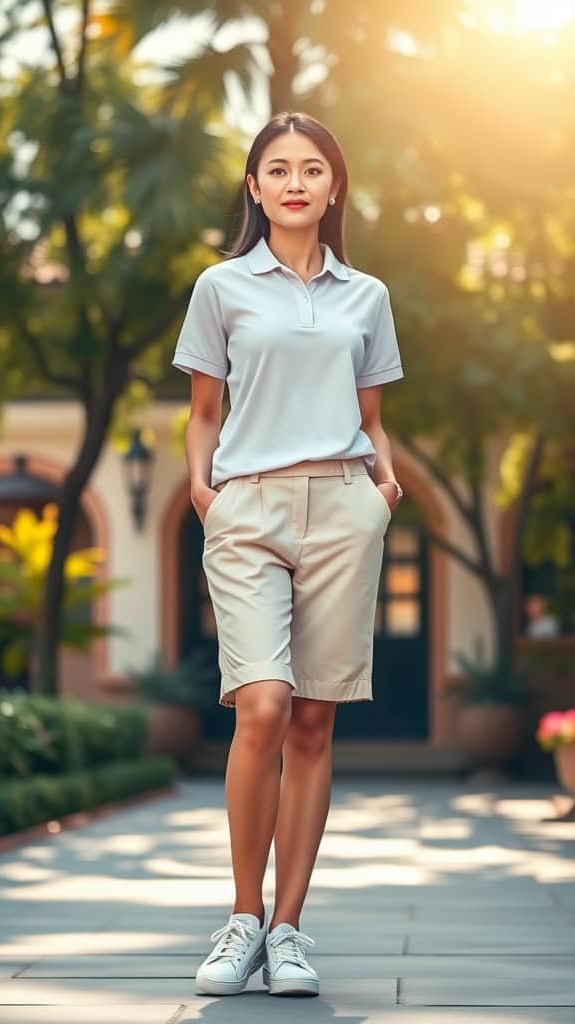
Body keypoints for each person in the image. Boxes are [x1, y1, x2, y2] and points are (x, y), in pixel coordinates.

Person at [171, 110, 405, 998]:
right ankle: (241, 918)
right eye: (278, 168)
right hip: (249, 508)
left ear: (333, 186)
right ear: (254, 186)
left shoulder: (367, 297)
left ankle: (290, 929)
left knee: (313, 719)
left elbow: (374, 418)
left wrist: (380, 493)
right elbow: (202, 411)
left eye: (313, 168)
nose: (296, 181)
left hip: (345, 505)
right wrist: (204, 491)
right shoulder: (222, 287)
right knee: (262, 704)